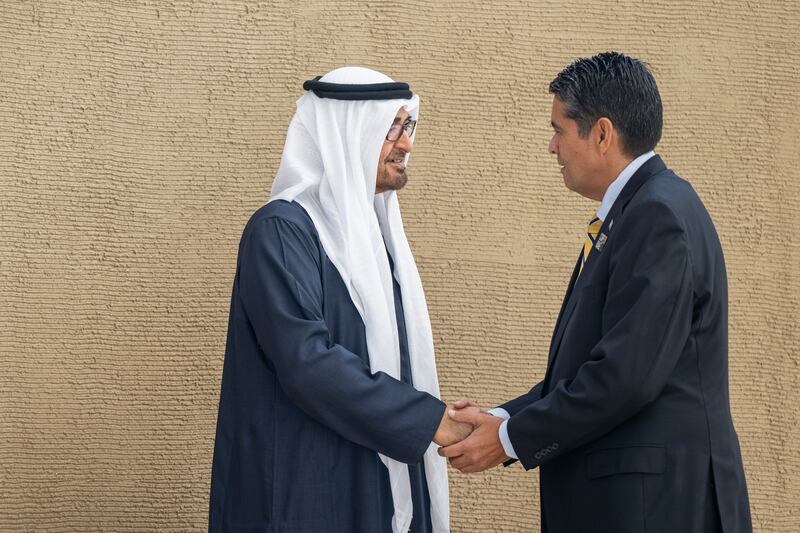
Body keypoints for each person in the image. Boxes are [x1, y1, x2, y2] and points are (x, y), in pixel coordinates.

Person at [440, 52, 753, 533]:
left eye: (559, 130)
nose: (551, 147)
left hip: (655, 508)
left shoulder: (657, 215)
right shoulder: (638, 209)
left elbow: (625, 377)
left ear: (603, 134)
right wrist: (500, 417)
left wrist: (509, 438)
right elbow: (591, 366)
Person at [208, 67, 469, 533]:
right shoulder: (281, 232)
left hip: (373, 489)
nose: (406, 145)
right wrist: (429, 421)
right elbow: (307, 363)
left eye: (408, 127)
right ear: (347, 134)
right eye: (392, 129)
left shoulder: (379, 243)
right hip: (303, 495)